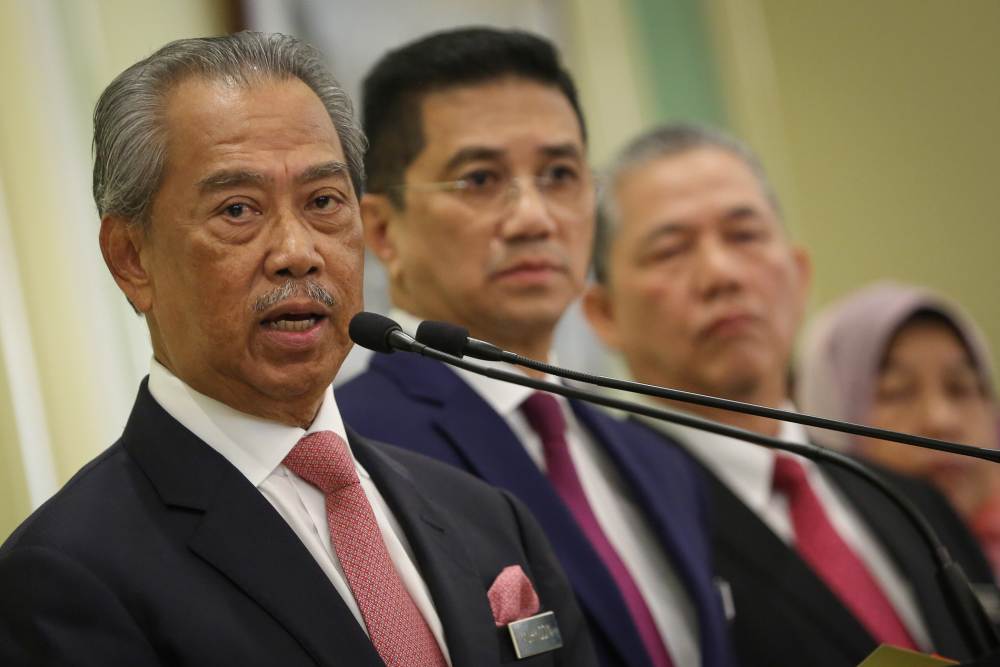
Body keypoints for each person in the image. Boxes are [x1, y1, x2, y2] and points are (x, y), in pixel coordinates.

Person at [0, 32, 596, 667]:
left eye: (323, 202)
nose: (297, 252)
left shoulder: (484, 515)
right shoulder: (68, 573)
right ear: (131, 258)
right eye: (237, 210)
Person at [337, 28, 735, 667]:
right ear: (382, 228)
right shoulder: (356, 451)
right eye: (480, 179)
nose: (534, 218)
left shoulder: (656, 458)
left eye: (559, 174)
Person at [582, 122, 997, 666]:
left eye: (744, 236)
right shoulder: (612, 522)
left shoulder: (909, 502)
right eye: (671, 250)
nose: (720, 274)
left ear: (799, 276)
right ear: (605, 314)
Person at [796, 280, 1000, 577]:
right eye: (897, 391)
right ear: (830, 413)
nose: (941, 420)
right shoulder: (816, 583)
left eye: (961, 388)